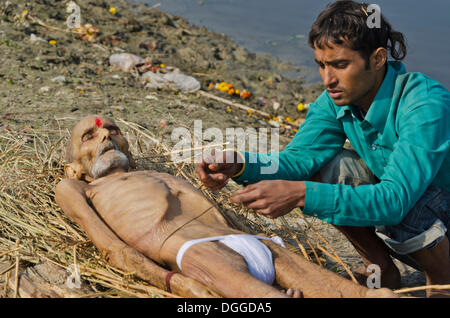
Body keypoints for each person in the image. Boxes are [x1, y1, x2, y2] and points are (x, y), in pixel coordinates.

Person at [196, 0, 450, 297]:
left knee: (408, 196)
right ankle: (380, 268)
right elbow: (297, 161)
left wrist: (302, 194)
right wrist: (239, 164)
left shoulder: (424, 104)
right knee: (324, 167)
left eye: (340, 65)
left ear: (378, 59)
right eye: (321, 65)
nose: (328, 79)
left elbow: (395, 201)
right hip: (417, 220)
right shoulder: (338, 99)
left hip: (432, 214)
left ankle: (442, 283)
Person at [55, 115, 396, 298]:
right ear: (74, 168)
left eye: (113, 130)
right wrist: (172, 281)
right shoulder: (76, 187)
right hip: (193, 253)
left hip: (251, 245)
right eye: (91, 135)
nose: (106, 136)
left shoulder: (156, 174)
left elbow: (220, 217)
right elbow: (111, 247)